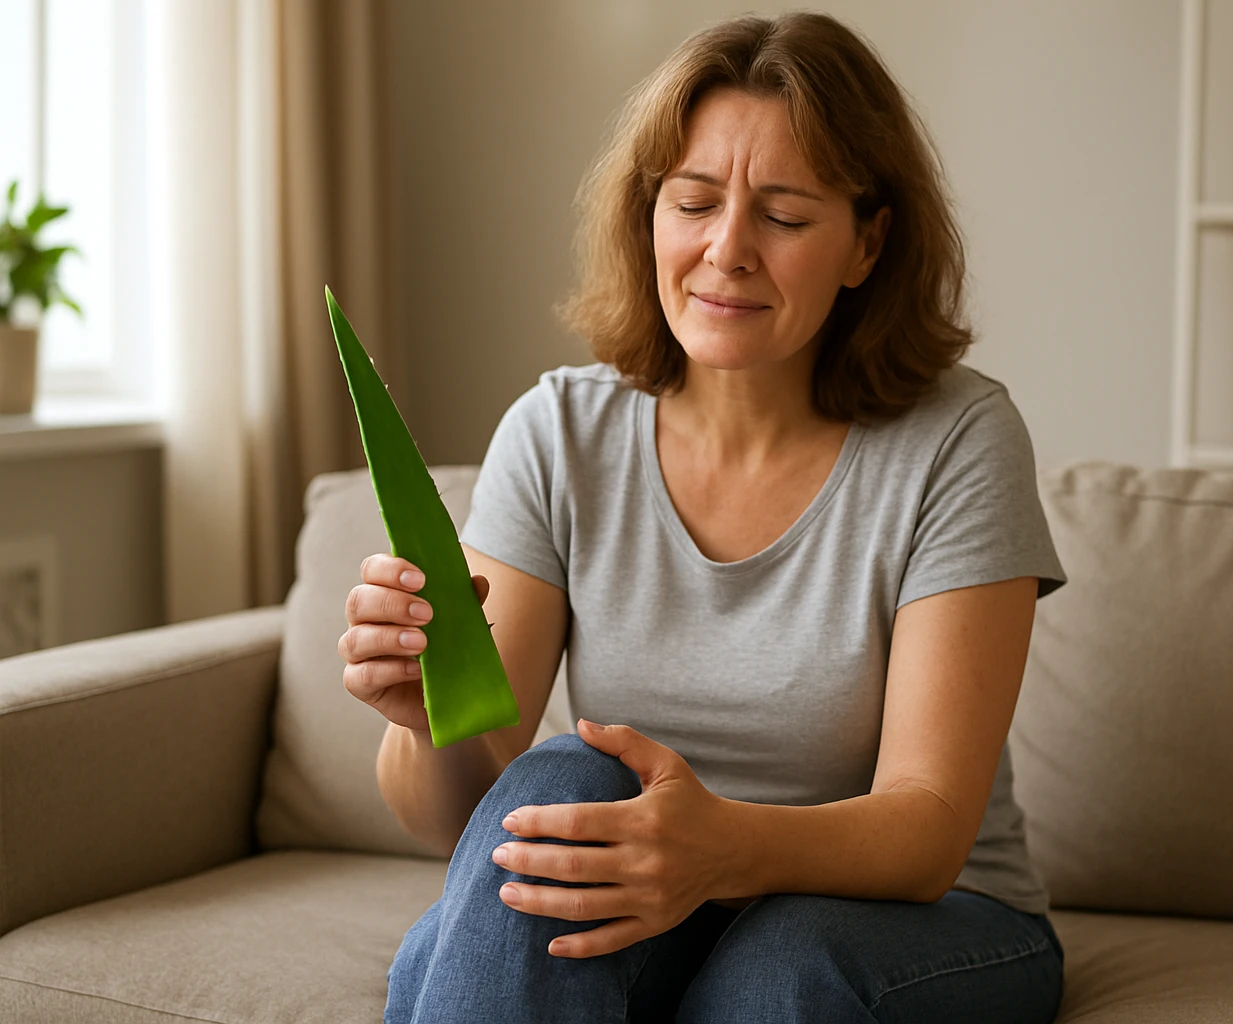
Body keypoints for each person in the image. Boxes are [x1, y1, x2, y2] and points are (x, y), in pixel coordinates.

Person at [340, 11, 1067, 1023]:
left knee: (777, 966)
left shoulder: (959, 439)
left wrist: (718, 847)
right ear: (649, 217)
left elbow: (928, 826)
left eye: (785, 215)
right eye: (692, 202)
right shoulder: (559, 430)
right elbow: (462, 816)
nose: (726, 251)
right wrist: (426, 722)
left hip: (925, 913)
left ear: (868, 241)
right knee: (559, 782)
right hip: (654, 901)